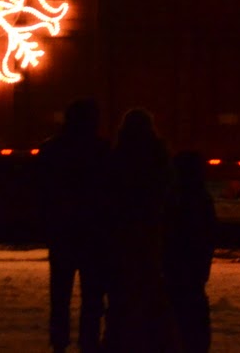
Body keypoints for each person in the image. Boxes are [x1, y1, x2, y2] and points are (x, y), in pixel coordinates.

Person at [38, 98, 112, 353]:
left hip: (62, 232)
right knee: (92, 294)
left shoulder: (51, 148)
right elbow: (110, 192)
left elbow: (42, 190)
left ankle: (59, 341)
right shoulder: (102, 149)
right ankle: (88, 341)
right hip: (93, 233)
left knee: (60, 293)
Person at [104, 108, 179, 352]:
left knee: (122, 286)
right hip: (149, 226)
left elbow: (109, 193)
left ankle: (119, 338)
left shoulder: (118, 155)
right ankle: (153, 337)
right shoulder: (158, 154)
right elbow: (166, 188)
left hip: (122, 229)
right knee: (149, 281)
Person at [165, 151, 217, 353]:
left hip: (175, 274)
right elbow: (208, 236)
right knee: (195, 321)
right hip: (195, 275)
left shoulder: (173, 200)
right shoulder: (202, 200)